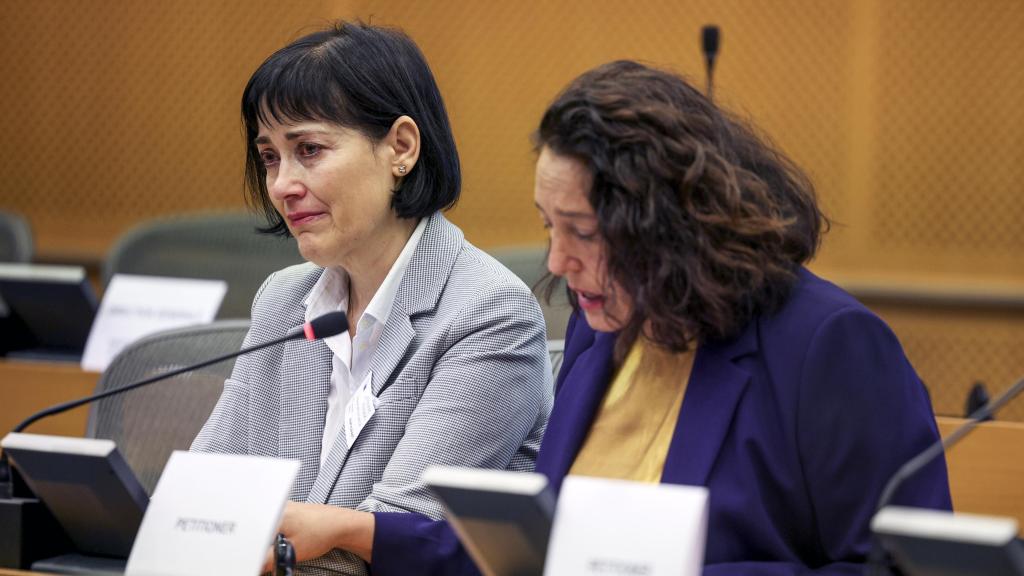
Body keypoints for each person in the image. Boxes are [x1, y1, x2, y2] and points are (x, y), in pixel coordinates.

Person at [370, 61, 953, 574]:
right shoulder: (598, 328)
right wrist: (356, 531)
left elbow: (899, 570)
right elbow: (543, 554)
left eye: (585, 232)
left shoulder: (829, 345)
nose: (557, 260)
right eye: (550, 225)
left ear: (675, 225)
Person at [190, 21, 552, 575]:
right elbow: (210, 494)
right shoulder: (284, 301)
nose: (283, 184)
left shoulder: (488, 312)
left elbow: (399, 532)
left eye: (308, 149)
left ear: (400, 148)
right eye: (270, 157)